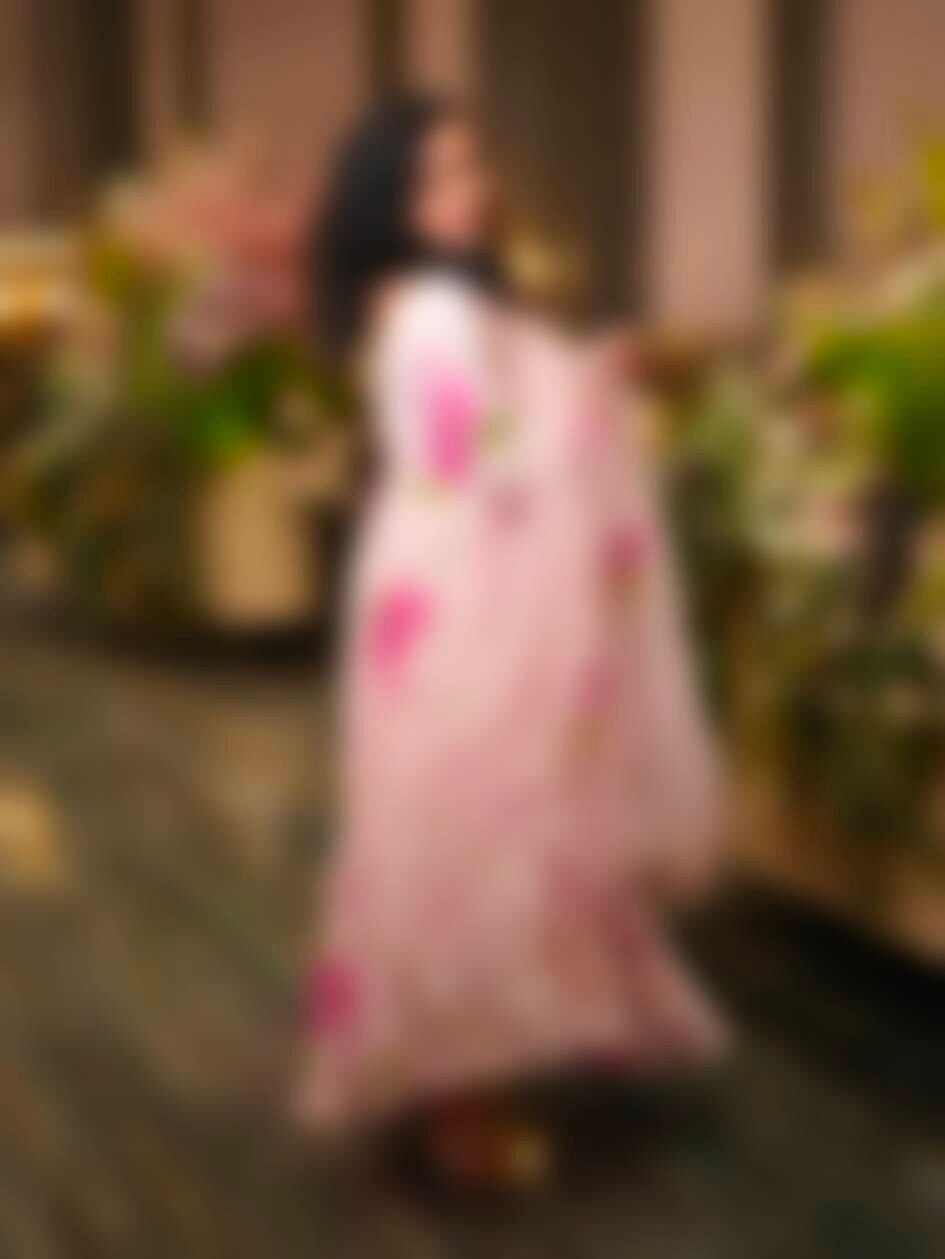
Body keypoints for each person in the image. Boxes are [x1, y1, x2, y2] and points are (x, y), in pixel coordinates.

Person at [298, 94, 725, 1185]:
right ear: (389, 200)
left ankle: (452, 1077)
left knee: (439, 819)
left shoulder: (410, 299)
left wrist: (581, 381)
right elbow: (481, 458)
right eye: (441, 176)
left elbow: (479, 437)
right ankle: (463, 1099)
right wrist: (595, 393)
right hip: (465, 586)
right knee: (474, 818)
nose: (473, 191)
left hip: (425, 574)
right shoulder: (437, 308)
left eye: (473, 166)